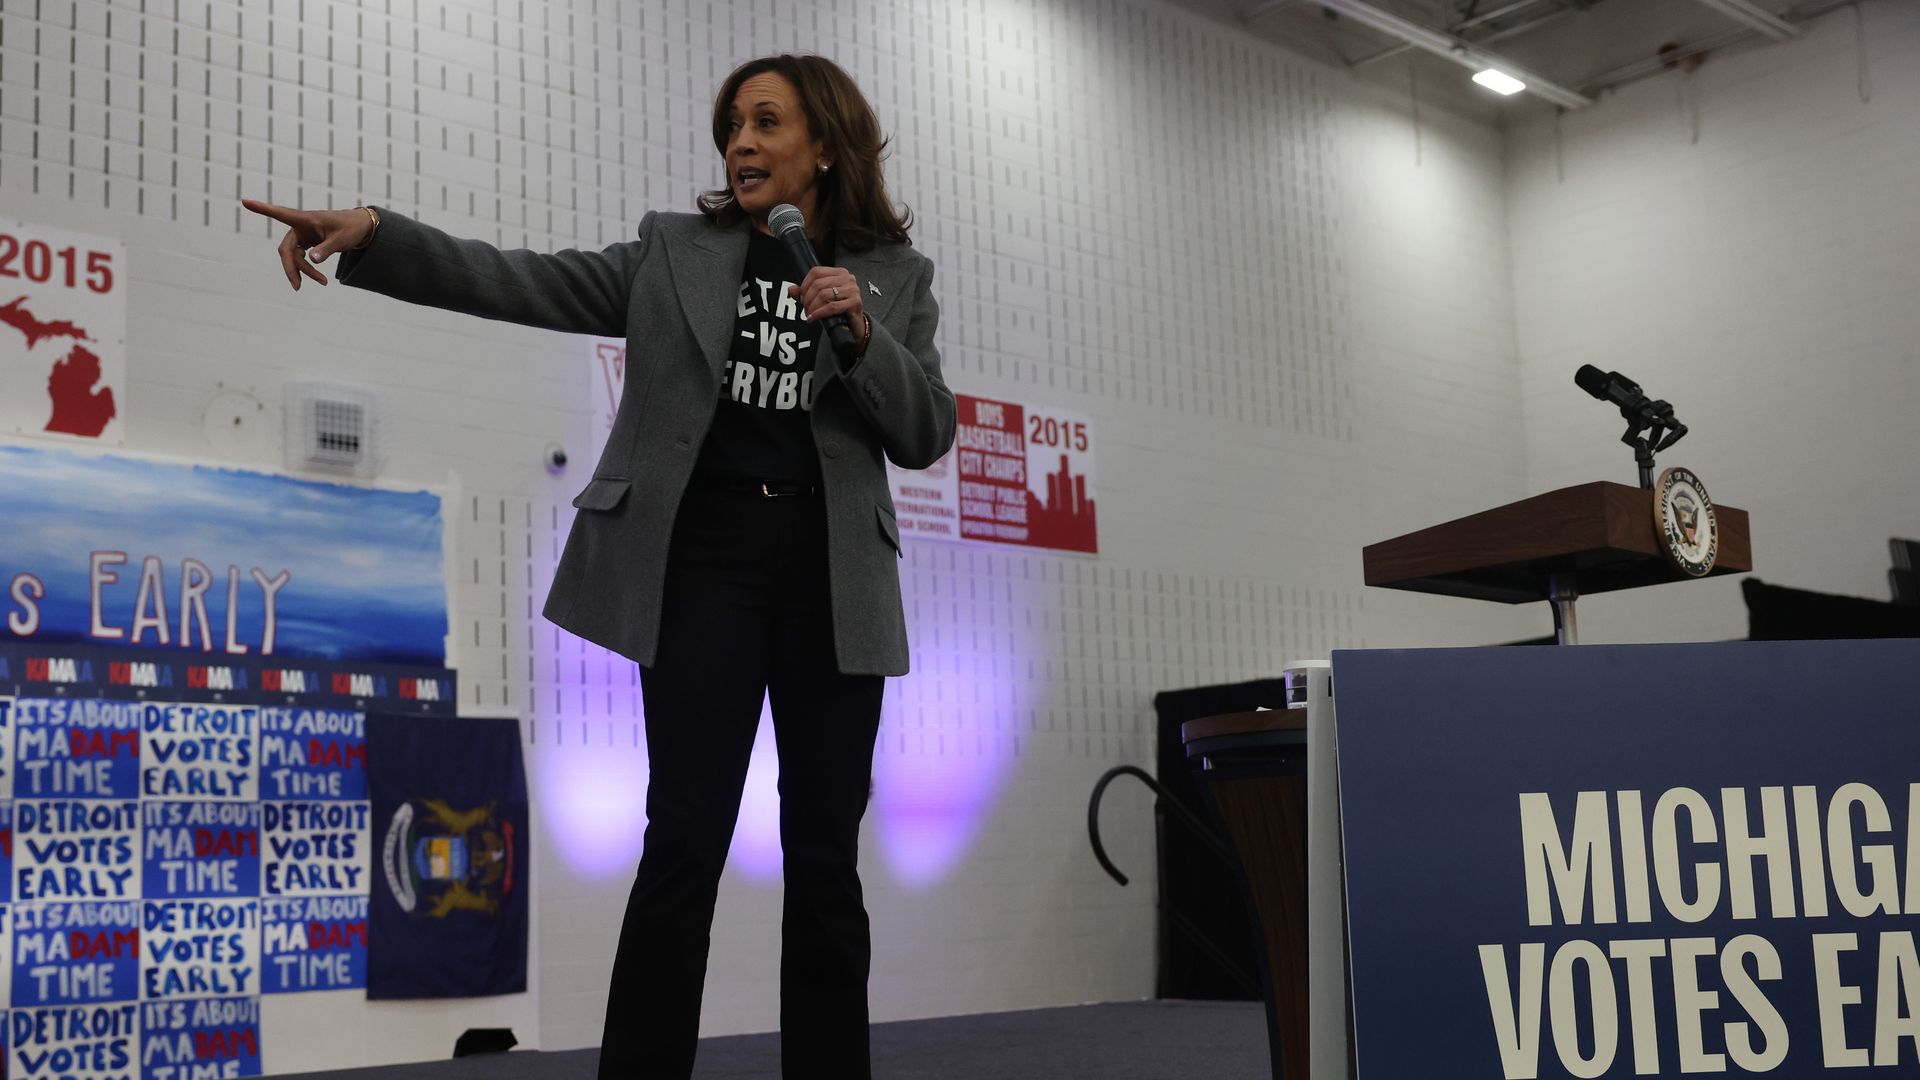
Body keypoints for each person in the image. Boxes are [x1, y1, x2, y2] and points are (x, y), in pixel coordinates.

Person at [245, 53, 955, 1080]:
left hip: (830, 579)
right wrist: (378, 238)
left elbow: (926, 431)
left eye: (766, 123)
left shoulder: (896, 278)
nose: (741, 144)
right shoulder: (676, 252)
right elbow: (524, 277)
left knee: (826, 865)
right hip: (703, 564)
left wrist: (860, 330)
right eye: (732, 127)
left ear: (828, 147)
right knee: (683, 844)